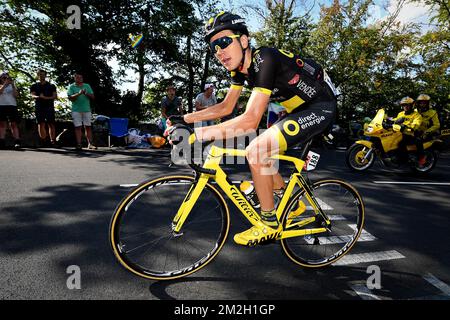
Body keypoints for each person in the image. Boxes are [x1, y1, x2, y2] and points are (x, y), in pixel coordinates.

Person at [167, 12, 338, 246]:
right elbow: (227, 106)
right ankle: (292, 203)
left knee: (256, 150)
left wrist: (197, 134)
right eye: (214, 47)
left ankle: (268, 223)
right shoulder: (239, 71)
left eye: (224, 42)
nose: (219, 52)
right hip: (297, 110)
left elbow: (249, 120)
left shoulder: (264, 59)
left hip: (320, 106)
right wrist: (185, 118)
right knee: (262, 150)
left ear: (244, 41)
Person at [67, 72, 97, 150]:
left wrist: (86, 93)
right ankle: (79, 144)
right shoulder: (71, 87)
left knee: (88, 127)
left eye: (81, 77)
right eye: (78, 77)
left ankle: (90, 144)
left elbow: (93, 97)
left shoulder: (87, 86)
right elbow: (70, 98)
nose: (79, 79)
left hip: (86, 109)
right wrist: (79, 93)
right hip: (76, 110)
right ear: (75, 78)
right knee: (78, 127)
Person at [392, 96, 425, 165]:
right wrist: (387, 121)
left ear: (412, 106)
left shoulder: (417, 115)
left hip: (410, 134)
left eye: (408, 105)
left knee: (401, 143)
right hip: (398, 133)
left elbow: (416, 124)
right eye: (404, 105)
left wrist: (407, 126)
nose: (405, 106)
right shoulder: (400, 114)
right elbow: (396, 120)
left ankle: (403, 160)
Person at [30, 69, 58, 147]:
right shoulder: (34, 86)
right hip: (39, 107)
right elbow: (32, 95)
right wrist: (39, 97)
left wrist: (45, 98)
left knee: (51, 124)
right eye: (39, 74)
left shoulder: (51, 86)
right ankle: (44, 140)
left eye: (42, 74)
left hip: (49, 107)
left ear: (45, 75)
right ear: (37, 75)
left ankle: (53, 141)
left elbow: (55, 96)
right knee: (41, 123)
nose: (41, 76)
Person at [0, 71, 21, 149]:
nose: (5, 79)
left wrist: (12, 84)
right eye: (4, 78)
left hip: (12, 106)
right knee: (2, 124)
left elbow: (16, 95)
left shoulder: (12, 86)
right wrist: (5, 84)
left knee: (13, 124)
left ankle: (17, 142)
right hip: (1, 106)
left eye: (7, 78)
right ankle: (1, 141)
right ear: (0, 78)